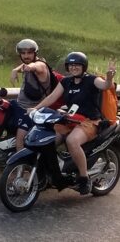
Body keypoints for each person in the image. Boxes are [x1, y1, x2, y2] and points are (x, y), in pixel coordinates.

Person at [29, 52, 115, 195]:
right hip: (70, 119)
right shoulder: (66, 82)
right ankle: (51, 172)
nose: (74, 67)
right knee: (47, 139)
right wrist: (35, 108)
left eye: (77, 65)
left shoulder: (92, 80)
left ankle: (84, 178)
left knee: (72, 141)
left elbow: (106, 85)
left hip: (90, 121)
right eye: (71, 65)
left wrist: (110, 77)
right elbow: (51, 98)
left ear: (84, 66)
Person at [8, 39, 60, 151]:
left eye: (29, 53)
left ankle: (22, 166)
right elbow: (26, 64)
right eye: (23, 53)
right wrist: (15, 70)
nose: (26, 56)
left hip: (33, 111)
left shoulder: (40, 65)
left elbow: (33, 66)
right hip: (21, 107)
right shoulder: (27, 63)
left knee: (20, 138)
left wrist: (27, 67)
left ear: (35, 53)